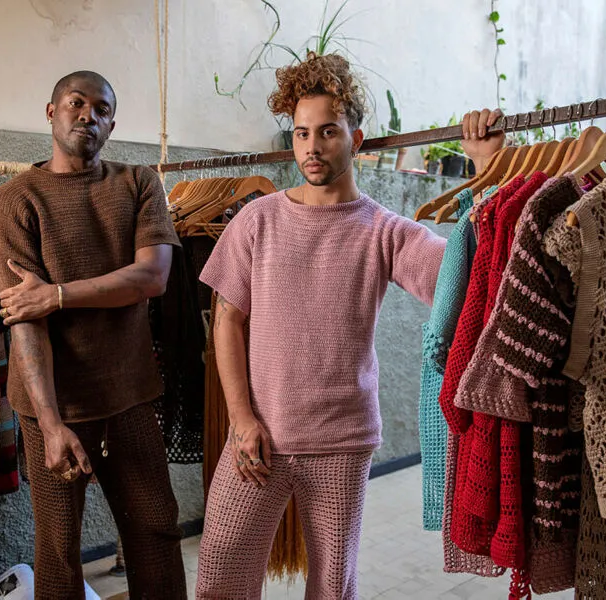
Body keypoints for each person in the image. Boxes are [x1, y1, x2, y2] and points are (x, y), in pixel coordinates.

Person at [194, 53, 505, 598]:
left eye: (328, 132)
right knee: (220, 573)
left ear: (355, 139)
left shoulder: (385, 232)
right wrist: (241, 419)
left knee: (333, 586)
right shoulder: (257, 219)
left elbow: (469, 270)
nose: (312, 147)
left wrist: (486, 172)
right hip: (258, 435)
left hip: (342, 440)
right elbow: (227, 320)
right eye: (301, 133)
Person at [0, 70, 187, 600]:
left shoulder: (138, 183)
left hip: (130, 395)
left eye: (100, 109)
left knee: (156, 528)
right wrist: (50, 424)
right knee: (59, 549)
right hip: (53, 403)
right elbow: (24, 320)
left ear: (111, 124)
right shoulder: (14, 201)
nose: (87, 116)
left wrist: (58, 294)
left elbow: (152, 277)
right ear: (51, 112)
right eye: (75, 103)